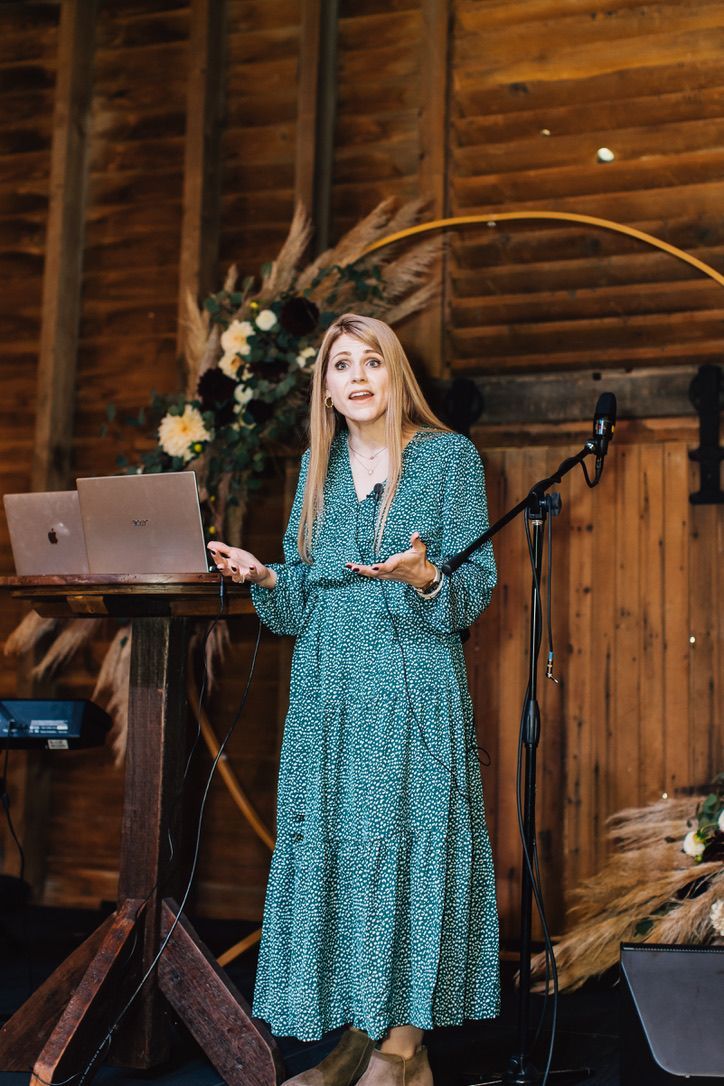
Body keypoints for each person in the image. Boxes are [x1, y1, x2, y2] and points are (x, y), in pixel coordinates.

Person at [208, 314, 499, 1086]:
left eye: (372, 361)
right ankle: (352, 1042)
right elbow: (304, 595)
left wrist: (424, 577)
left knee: (407, 852)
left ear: (395, 373)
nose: (358, 376)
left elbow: (476, 585)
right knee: (340, 859)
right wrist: (266, 575)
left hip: (412, 675)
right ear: (326, 386)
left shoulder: (447, 459)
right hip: (328, 685)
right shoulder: (317, 465)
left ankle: (399, 1051)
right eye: (342, 365)